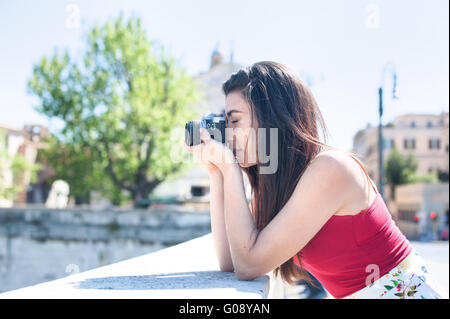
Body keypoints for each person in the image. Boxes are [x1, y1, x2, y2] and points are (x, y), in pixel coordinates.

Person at [184, 61, 448, 299]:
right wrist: (215, 172)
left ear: (271, 118)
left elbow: (248, 265)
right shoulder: (279, 187)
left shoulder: (330, 169)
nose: (227, 134)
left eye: (235, 121)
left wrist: (229, 167)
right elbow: (230, 260)